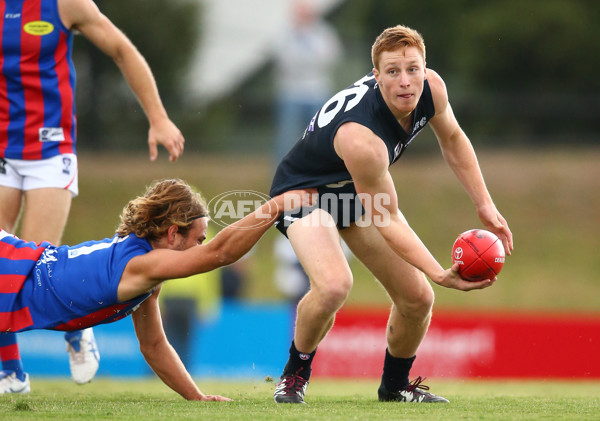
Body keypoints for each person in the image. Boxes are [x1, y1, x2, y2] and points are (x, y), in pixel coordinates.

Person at [269, 24, 514, 404]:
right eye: (393, 72)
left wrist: (485, 203)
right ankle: (293, 376)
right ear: (375, 76)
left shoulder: (432, 88)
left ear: (425, 68)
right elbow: (387, 216)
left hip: (353, 190)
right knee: (334, 285)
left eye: (413, 69)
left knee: (417, 298)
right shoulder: (361, 138)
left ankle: (395, 387)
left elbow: (452, 139)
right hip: (305, 192)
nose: (405, 82)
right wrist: (437, 271)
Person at [0, 0, 184, 393]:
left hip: (50, 148)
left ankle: (78, 329)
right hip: (2, 147)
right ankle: (11, 373)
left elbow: (122, 50)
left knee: (37, 258)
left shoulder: (65, 4)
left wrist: (157, 117)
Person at [0, 178, 314, 401]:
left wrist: (196, 397)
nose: (200, 246)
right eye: (198, 239)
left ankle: (14, 375)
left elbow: (153, 346)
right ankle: (16, 374)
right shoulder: (141, 265)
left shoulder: (145, 275)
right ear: (174, 233)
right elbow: (222, 253)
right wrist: (276, 206)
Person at [272, 0, 342, 164]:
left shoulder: (323, 33)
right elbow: (285, 61)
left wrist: (306, 60)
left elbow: (330, 57)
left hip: (317, 92)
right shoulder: (285, 34)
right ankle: (283, 176)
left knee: (319, 138)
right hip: (291, 93)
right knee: (287, 140)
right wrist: (309, 60)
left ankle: (318, 174)